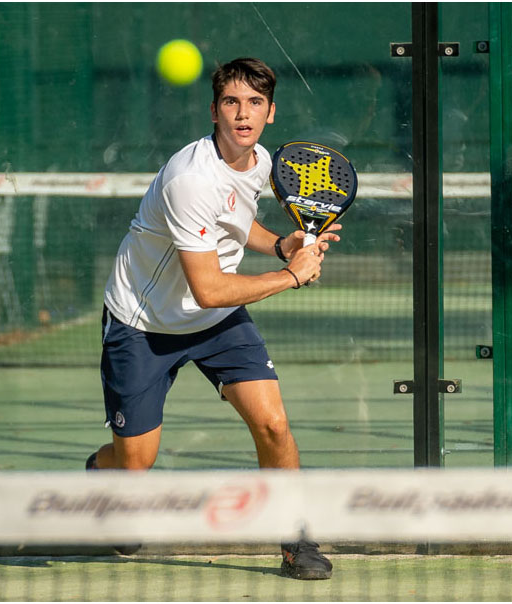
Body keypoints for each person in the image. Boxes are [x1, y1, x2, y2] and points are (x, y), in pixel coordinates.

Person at [85, 57, 338, 581]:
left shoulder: (261, 160)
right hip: (144, 323)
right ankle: (102, 478)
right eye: (231, 102)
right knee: (135, 463)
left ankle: (295, 539)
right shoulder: (191, 179)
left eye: (255, 103)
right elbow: (208, 288)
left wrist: (281, 245)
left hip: (217, 321)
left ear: (270, 112)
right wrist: (291, 275)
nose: (243, 114)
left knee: (273, 423)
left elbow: (234, 223)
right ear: (214, 110)